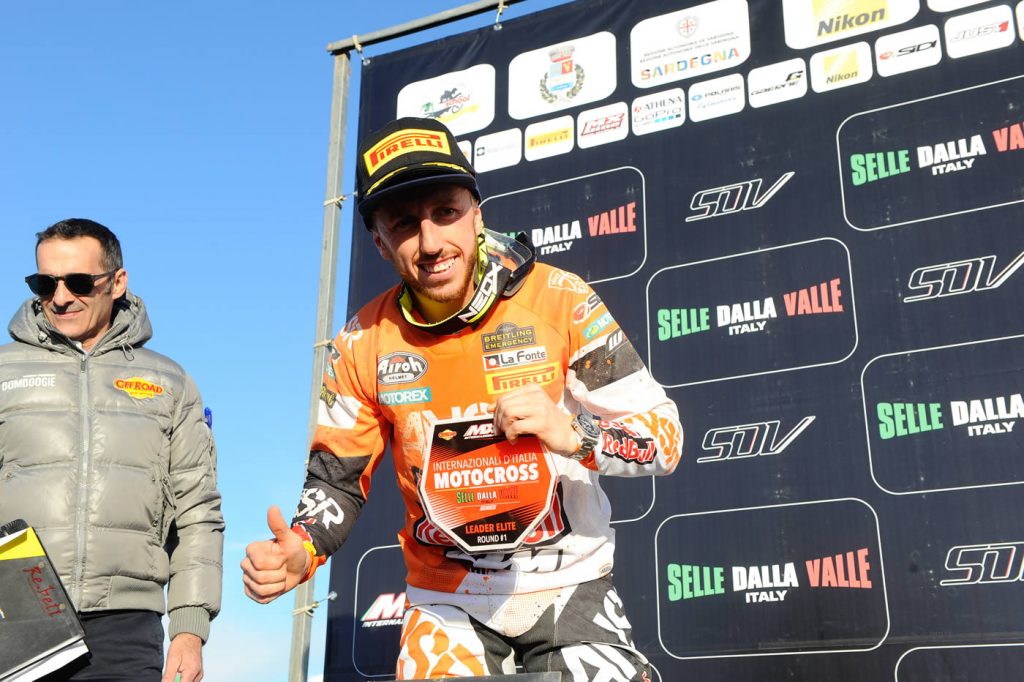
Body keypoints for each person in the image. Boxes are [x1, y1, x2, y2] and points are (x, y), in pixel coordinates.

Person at [242, 117, 682, 680]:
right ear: (379, 242)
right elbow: (337, 479)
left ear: (477, 214)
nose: (430, 243)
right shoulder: (361, 341)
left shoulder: (561, 299)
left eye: (445, 212)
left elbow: (665, 439)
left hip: (570, 583)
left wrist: (575, 434)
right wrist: (302, 550)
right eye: (404, 224)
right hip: (445, 600)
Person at [0, 219, 224, 682]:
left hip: (127, 627)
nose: (61, 297)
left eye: (80, 282)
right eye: (45, 283)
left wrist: (189, 629)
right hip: (14, 614)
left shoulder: (171, 383)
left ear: (118, 282)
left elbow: (198, 514)